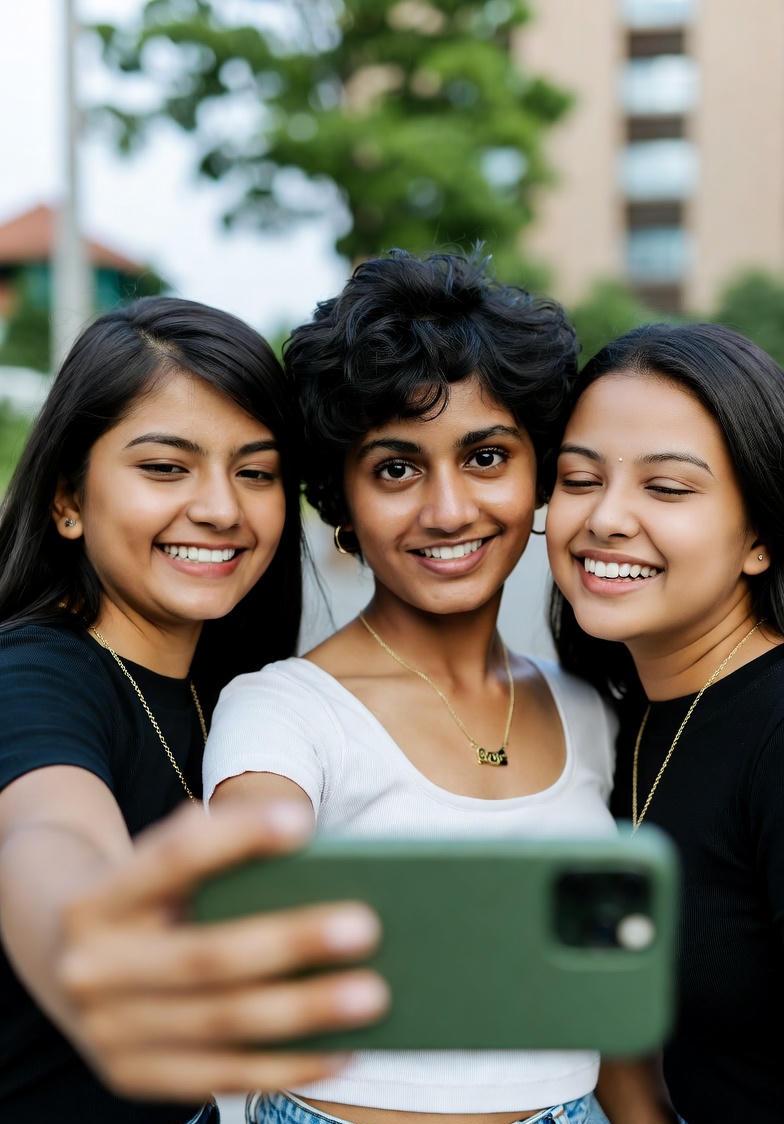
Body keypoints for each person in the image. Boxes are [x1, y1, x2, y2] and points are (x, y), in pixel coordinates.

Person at [203, 250, 623, 1124]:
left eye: (485, 457)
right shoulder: (283, 710)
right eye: (396, 468)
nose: (446, 509)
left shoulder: (591, 711)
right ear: (341, 499)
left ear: (539, 473)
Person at [0, 297, 388, 1124]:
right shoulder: (33, 673)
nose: (220, 508)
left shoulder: (239, 690)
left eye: (255, 471)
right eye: (165, 468)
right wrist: (96, 949)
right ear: (68, 498)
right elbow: (46, 833)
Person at [546, 322, 784, 1124]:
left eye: (668, 488)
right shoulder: (616, 721)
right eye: (579, 479)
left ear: (760, 537)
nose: (607, 519)